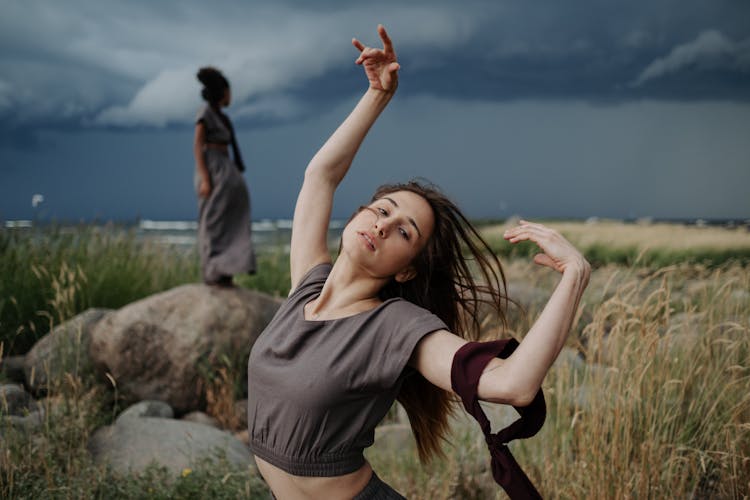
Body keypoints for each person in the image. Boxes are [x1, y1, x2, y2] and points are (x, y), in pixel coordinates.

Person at [247, 25, 591, 499]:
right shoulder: (307, 288)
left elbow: (515, 385)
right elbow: (320, 176)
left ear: (407, 269)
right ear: (360, 213)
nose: (384, 226)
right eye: (383, 210)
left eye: (404, 232)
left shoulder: (396, 327)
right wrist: (377, 95)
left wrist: (575, 275)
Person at [194, 67, 256, 286]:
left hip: (225, 167)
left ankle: (226, 271)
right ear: (222, 91)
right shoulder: (205, 114)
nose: (231, 95)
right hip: (214, 169)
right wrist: (205, 178)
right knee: (213, 221)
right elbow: (198, 146)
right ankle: (212, 271)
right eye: (229, 91)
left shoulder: (222, 116)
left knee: (232, 222)